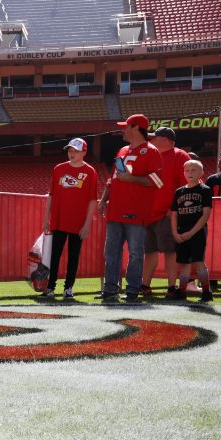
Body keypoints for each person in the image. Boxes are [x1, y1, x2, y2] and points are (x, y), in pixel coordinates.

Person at [97, 114, 163, 303]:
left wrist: (132, 179)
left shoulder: (151, 151)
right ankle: (110, 290)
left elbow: (158, 181)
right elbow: (112, 179)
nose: (122, 130)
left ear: (136, 128)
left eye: (126, 126)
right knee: (111, 252)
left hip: (137, 211)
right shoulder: (122, 151)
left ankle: (132, 290)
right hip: (115, 210)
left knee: (135, 252)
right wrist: (103, 200)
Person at [41, 138, 98, 300]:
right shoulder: (59, 168)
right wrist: (46, 218)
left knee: (74, 256)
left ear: (84, 152)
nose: (72, 153)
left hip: (78, 222)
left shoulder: (90, 171)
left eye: (76, 151)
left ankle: (68, 288)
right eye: (70, 150)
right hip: (59, 220)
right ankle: (50, 287)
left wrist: (87, 224)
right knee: (54, 255)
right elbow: (51, 195)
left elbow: (93, 200)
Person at [143, 127, 191, 298]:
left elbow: (185, 185)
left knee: (170, 252)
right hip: (147, 214)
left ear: (165, 140)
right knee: (149, 252)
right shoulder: (150, 155)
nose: (150, 141)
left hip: (166, 214)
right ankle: (145, 285)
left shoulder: (179, 155)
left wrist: (174, 210)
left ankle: (172, 287)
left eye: (154, 138)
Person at [169, 159, 213, 302]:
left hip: (197, 231)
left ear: (201, 172)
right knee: (184, 263)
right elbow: (174, 215)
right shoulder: (178, 192)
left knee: (198, 260)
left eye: (194, 170)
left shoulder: (205, 190)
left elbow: (205, 215)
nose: (190, 173)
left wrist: (191, 232)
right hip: (181, 231)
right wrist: (175, 233)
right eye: (187, 170)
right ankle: (182, 292)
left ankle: (207, 291)